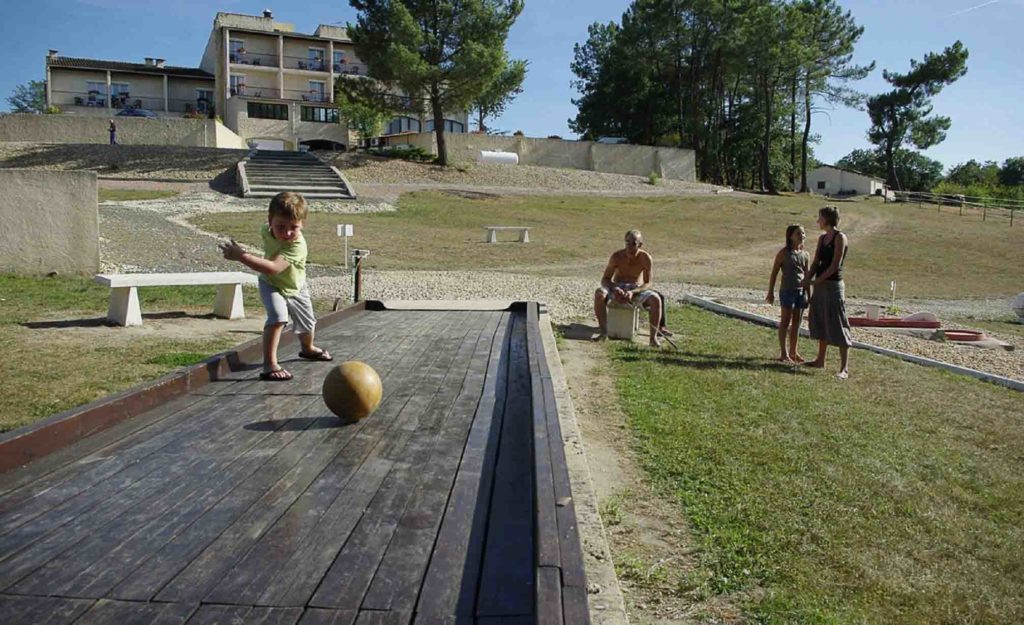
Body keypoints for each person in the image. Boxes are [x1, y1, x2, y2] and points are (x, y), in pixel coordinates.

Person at [219, 191, 332, 381]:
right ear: (269, 221)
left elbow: (273, 267)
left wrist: (241, 256)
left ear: (302, 225)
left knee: (308, 323)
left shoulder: (297, 246)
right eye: (280, 227)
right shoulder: (266, 230)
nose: (287, 233)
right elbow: (269, 273)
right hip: (270, 284)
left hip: (295, 286)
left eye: (293, 228)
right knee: (278, 317)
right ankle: (270, 364)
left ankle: (307, 348)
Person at [801, 206, 853, 379]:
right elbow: (816, 261)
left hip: (833, 286)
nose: (818, 221)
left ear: (828, 219)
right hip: (820, 284)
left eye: (820, 217)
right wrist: (808, 278)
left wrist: (819, 280)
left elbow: (835, 265)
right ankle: (820, 360)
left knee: (838, 322)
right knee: (821, 319)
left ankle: (844, 368)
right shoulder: (822, 238)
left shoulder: (840, 237)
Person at [593, 229, 665, 347]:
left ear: (640, 245)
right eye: (627, 243)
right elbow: (605, 279)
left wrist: (633, 292)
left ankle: (653, 338)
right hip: (618, 286)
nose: (629, 247)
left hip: (635, 287)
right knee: (599, 293)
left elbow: (647, 283)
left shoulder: (645, 258)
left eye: (633, 244)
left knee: (656, 299)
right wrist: (615, 287)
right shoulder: (616, 256)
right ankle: (604, 332)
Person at [766, 225, 810, 362]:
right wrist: (770, 292)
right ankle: (783, 353)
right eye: (798, 233)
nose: (801, 236)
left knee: (797, 322)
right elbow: (774, 273)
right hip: (787, 291)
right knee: (785, 321)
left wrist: (809, 294)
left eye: (803, 233)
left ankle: (793, 351)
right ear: (790, 236)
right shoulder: (784, 253)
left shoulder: (805, 255)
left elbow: (807, 275)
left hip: (801, 293)